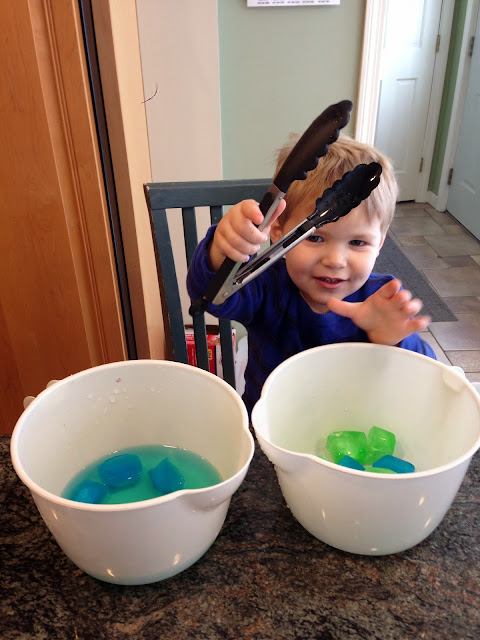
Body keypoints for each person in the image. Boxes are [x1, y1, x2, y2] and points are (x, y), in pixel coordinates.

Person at [187, 135, 436, 415]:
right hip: (271, 426)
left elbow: (428, 376)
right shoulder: (266, 287)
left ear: (379, 243)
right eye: (315, 238)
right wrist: (223, 249)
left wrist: (393, 339)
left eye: (357, 242)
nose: (335, 261)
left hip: (354, 428)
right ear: (279, 232)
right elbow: (211, 297)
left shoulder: (382, 300)